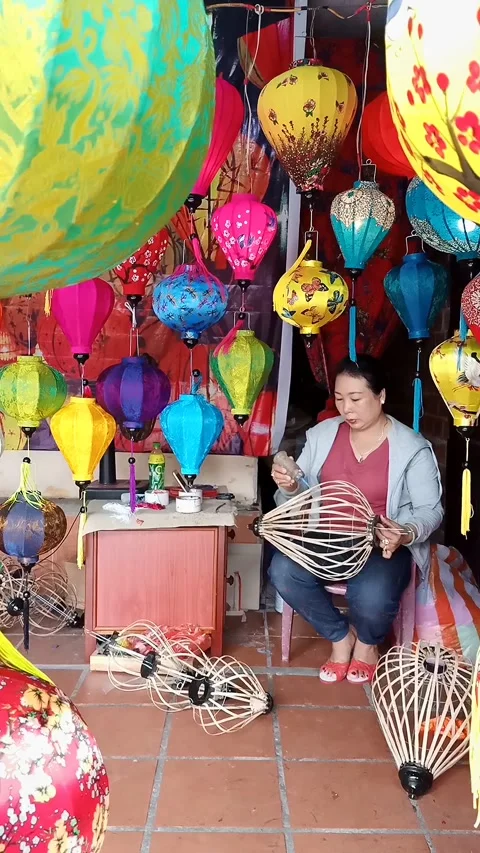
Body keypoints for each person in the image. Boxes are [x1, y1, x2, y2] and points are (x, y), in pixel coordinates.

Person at [269, 355, 443, 684]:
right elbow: (302, 490)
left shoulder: (412, 448)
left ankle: (366, 646)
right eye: (339, 399)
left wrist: (405, 532)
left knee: (372, 593)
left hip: (380, 544)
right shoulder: (322, 435)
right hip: (325, 538)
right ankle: (339, 637)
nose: (346, 409)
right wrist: (291, 485)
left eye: (356, 399)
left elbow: (429, 509)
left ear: (381, 396)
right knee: (282, 570)